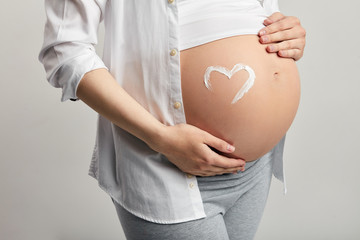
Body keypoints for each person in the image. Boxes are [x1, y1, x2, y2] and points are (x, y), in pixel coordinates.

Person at [39, 0, 306, 239]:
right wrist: (160, 138)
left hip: (256, 168)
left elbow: (257, 13)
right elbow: (65, 51)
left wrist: (287, 33)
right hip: (166, 165)